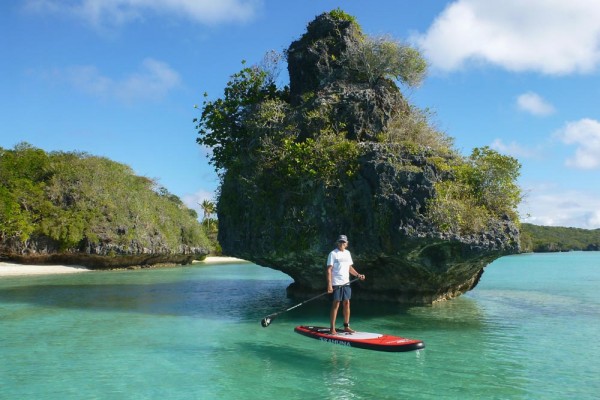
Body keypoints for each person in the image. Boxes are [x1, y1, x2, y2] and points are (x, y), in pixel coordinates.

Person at [326, 234, 365, 334]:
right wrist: (329, 285)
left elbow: (349, 268)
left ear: (347, 244)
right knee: (336, 304)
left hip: (346, 282)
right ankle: (332, 328)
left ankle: (346, 326)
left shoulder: (347, 253)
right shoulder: (333, 254)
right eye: (340, 242)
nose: (341, 244)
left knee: (347, 303)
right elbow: (329, 270)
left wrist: (358, 275)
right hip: (336, 283)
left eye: (343, 242)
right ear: (337, 243)